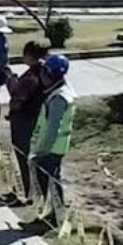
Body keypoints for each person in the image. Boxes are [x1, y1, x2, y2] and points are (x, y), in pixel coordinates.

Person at [31, 54, 75, 226]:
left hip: (51, 148)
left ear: (50, 75)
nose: (41, 76)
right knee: (49, 181)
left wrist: (41, 151)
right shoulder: (60, 90)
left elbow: (53, 129)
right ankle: (51, 215)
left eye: (43, 72)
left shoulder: (58, 98)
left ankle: (54, 218)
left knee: (50, 183)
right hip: (53, 147)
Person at [4, 41, 48, 205]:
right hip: (37, 120)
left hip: (23, 120)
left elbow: (18, 99)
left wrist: (10, 81)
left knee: (23, 157)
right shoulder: (45, 73)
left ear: (30, 55)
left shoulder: (30, 77)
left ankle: (25, 193)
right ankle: (27, 190)